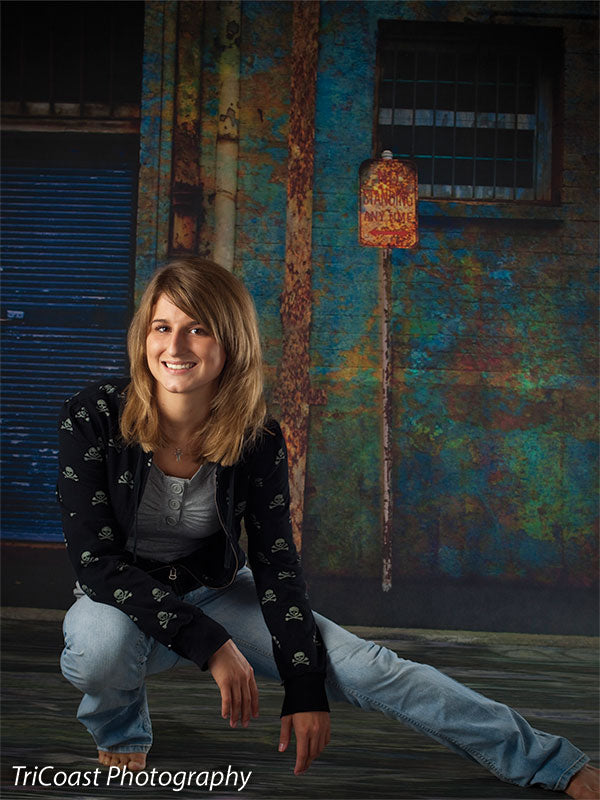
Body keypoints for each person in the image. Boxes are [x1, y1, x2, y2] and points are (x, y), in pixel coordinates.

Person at [57, 257, 598, 798]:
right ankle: (121, 728)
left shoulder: (256, 437)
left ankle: (551, 762)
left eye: (197, 329)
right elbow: (96, 563)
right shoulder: (93, 416)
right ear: (144, 336)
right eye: (162, 327)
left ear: (231, 343)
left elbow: (275, 563)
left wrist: (304, 681)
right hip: (118, 601)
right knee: (102, 648)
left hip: (215, 591)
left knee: (369, 669)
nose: (175, 346)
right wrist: (212, 644)